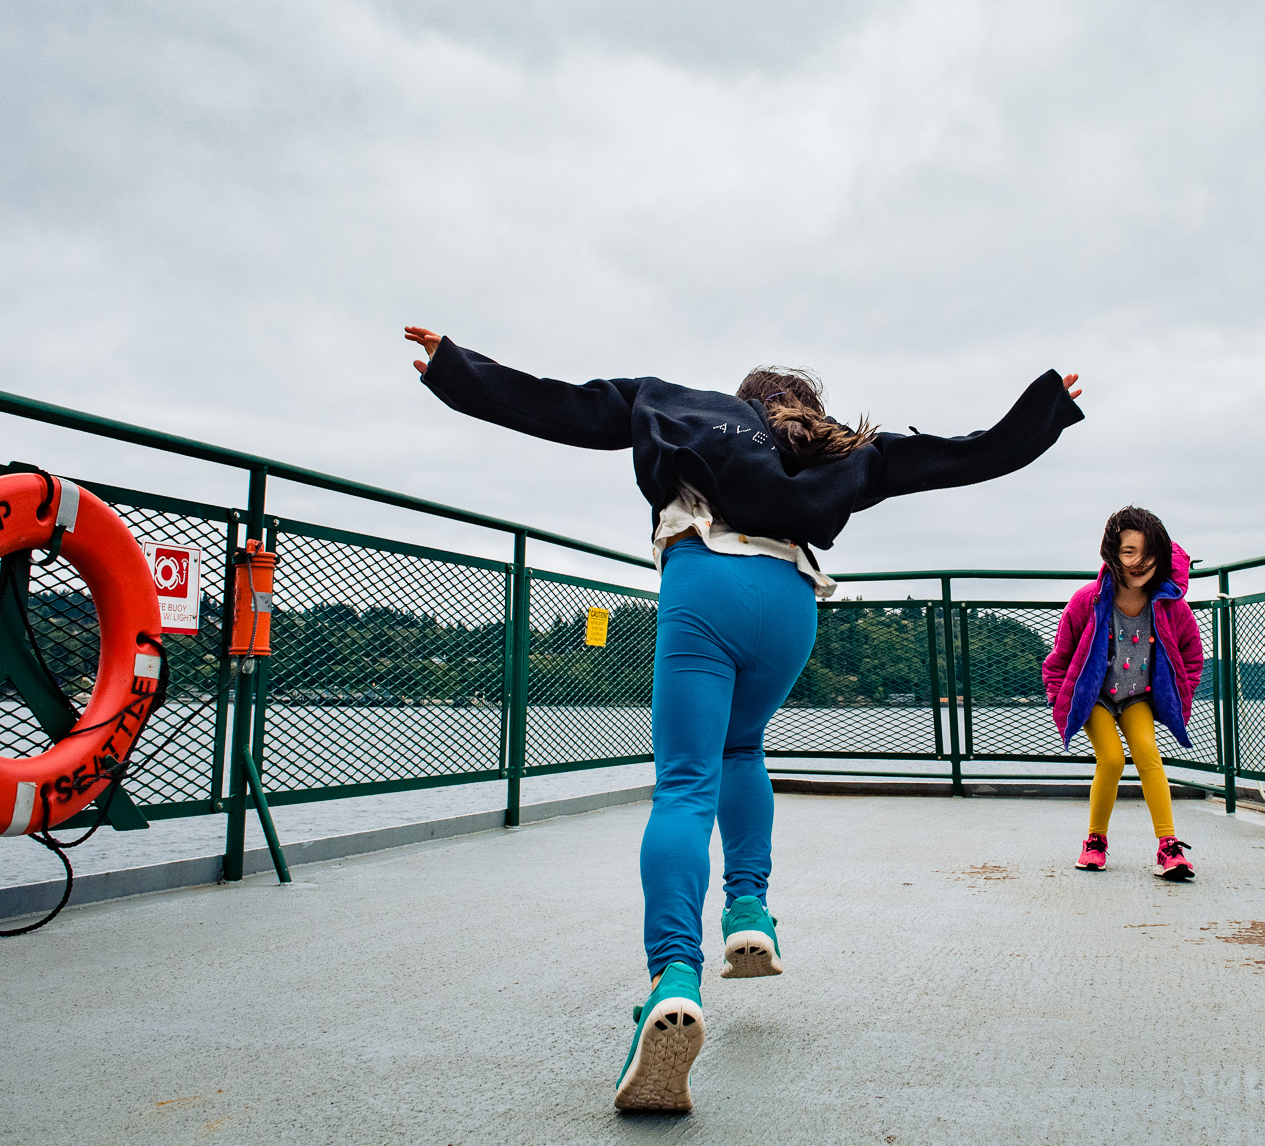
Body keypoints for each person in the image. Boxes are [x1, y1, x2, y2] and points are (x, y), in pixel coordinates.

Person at [404, 325, 1084, 1113]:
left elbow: (569, 408)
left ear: (742, 396)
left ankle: (673, 978)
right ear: (799, 406)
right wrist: (1044, 411)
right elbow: (960, 454)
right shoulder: (833, 448)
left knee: (684, 786)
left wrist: (456, 369)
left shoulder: (675, 403)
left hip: (707, 583)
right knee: (741, 747)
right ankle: (749, 909)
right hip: (791, 606)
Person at [1041, 506, 1202, 882]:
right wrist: (1057, 696)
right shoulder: (1089, 601)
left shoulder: (1172, 606)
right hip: (1095, 696)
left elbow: (1192, 656)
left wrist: (1182, 692)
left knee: (1148, 755)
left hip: (1137, 697)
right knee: (1111, 759)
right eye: (1129, 551)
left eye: (1148, 553)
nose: (1139, 562)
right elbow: (1060, 656)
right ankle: (1095, 841)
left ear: (1161, 556)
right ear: (1112, 553)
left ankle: (1168, 847)